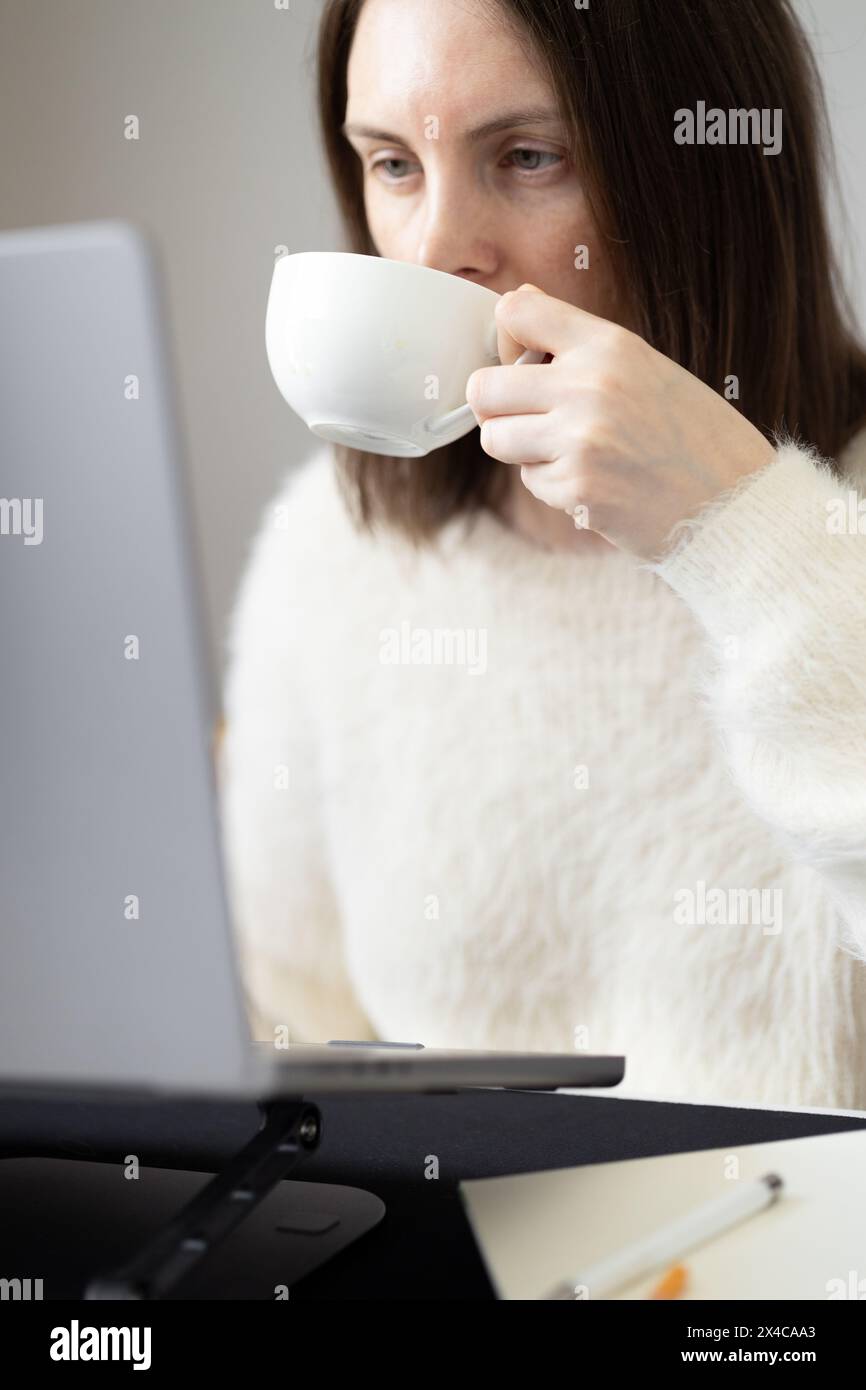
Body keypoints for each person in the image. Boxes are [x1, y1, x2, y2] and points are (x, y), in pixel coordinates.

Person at [218, 0, 866, 1109]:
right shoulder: (328, 551)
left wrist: (741, 525)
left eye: (526, 156)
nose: (433, 250)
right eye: (391, 162)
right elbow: (285, 1020)